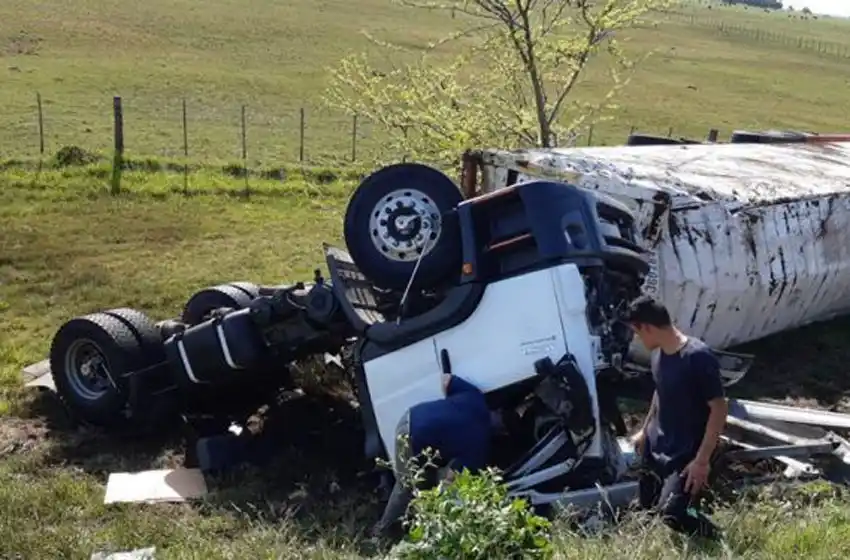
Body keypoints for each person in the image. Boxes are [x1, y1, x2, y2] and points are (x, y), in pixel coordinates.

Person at [622, 295, 728, 540]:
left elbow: (719, 408)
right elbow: (659, 392)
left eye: (637, 333)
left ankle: (719, 541)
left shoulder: (698, 357)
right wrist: (644, 430)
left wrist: (702, 460)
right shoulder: (658, 355)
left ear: (647, 327)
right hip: (657, 444)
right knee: (645, 509)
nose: (637, 339)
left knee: (673, 514)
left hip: (686, 453)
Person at [371, 372, 493, 537]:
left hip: (411, 416)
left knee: (425, 481)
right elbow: (450, 478)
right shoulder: (479, 447)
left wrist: (448, 411)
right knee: (406, 485)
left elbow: (447, 379)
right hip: (412, 437)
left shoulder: (476, 398)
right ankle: (381, 532)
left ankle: (411, 528)